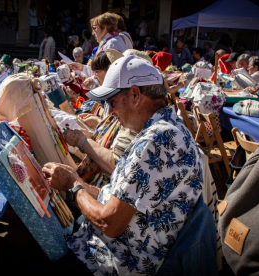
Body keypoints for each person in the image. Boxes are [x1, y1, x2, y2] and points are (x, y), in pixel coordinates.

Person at [41, 55, 206, 275]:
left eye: (112, 102)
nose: (110, 112)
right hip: (115, 247)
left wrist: (75, 186)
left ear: (135, 95)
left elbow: (110, 223)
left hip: (117, 261)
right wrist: (76, 182)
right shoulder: (163, 129)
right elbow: (122, 197)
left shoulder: (157, 141)